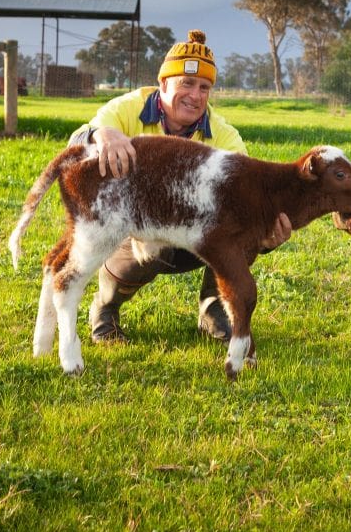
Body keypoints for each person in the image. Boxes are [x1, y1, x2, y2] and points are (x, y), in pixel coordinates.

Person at [68, 29, 292, 344]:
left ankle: (214, 308)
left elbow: (246, 202)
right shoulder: (128, 109)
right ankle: (105, 309)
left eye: (204, 87)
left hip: (195, 233)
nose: (195, 95)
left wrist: (264, 235)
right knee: (152, 246)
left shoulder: (225, 137)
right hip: (132, 230)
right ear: (163, 84)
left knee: (242, 227)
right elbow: (75, 143)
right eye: (186, 83)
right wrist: (99, 134)